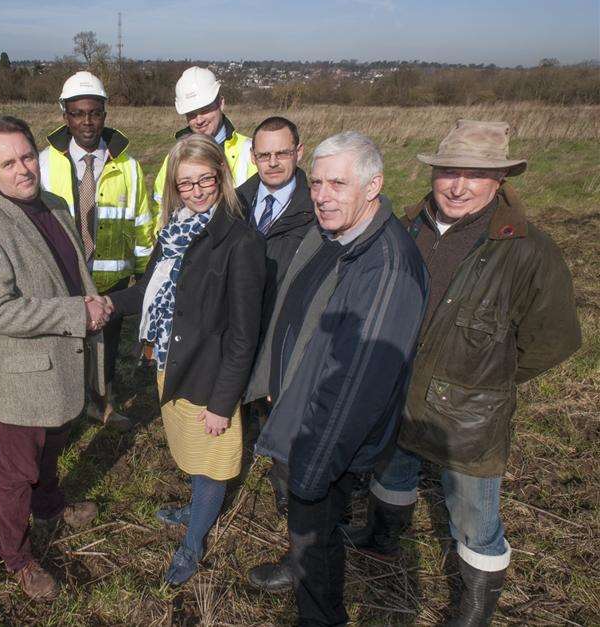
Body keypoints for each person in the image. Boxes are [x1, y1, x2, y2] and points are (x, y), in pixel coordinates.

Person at [343, 120, 581, 626]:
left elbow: (554, 340)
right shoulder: (406, 227)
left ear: (500, 181)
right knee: (392, 471)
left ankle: (474, 609)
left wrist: (485, 379)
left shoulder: (528, 250)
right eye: (448, 172)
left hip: (471, 414)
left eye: (474, 175)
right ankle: (382, 538)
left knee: (475, 517)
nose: (457, 186)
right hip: (397, 390)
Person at [243, 132, 428, 626]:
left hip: (321, 444)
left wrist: (311, 468)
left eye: (338, 184)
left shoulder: (385, 267)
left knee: (318, 549)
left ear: (374, 186)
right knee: (311, 539)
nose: (322, 195)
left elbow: (357, 387)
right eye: (318, 182)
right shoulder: (340, 238)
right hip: (305, 425)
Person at [103, 134, 267, 586]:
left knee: (212, 461)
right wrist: (108, 303)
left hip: (208, 374)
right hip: (171, 361)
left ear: (222, 177)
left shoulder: (240, 241)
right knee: (192, 452)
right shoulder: (174, 229)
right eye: (186, 182)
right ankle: (195, 508)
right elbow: (154, 290)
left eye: (205, 181)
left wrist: (222, 402)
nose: (196, 191)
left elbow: (242, 335)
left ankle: (193, 544)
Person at [0, 116, 104, 601]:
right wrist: (76, 313)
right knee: (17, 473)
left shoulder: (58, 206)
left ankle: (50, 505)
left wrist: (88, 310)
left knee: (52, 449)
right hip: (26, 376)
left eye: (27, 157)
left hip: (67, 360)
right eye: (9, 163)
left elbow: (73, 273)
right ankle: (17, 557)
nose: (23, 169)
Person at [39, 70, 158, 430]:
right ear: (65, 116)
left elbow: (141, 221)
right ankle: (65, 410)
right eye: (77, 113)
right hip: (64, 276)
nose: (87, 122)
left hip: (113, 278)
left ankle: (103, 404)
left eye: (94, 113)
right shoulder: (44, 163)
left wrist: (142, 275)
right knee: (66, 347)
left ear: (105, 114)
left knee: (105, 347)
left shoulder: (129, 166)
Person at [236, 116, 317, 511]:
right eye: (264, 155)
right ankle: (228, 468)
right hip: (243, 323)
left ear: (299, 153)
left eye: (282, 153)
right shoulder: (236, 201)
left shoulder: (316, 208)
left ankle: (286, 483)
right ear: (252, 157)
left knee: (286, 408)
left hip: (290, 329)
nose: (273, 163)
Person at [152, 66, 256, 204]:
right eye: (191, 114)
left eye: (205, 110)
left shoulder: (249, 152)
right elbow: (161, 206)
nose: (199, 120)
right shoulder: (175, 157)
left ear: (221, 103)